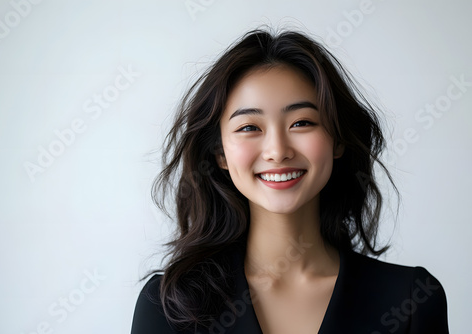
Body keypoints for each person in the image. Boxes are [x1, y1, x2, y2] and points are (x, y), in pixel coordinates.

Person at [131, 28, 449, 333]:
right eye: (249, 127)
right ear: (220, 154)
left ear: (338, 140)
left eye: (301, 122)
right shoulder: (169, 306)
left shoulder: (413, 300)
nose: (277, 151)